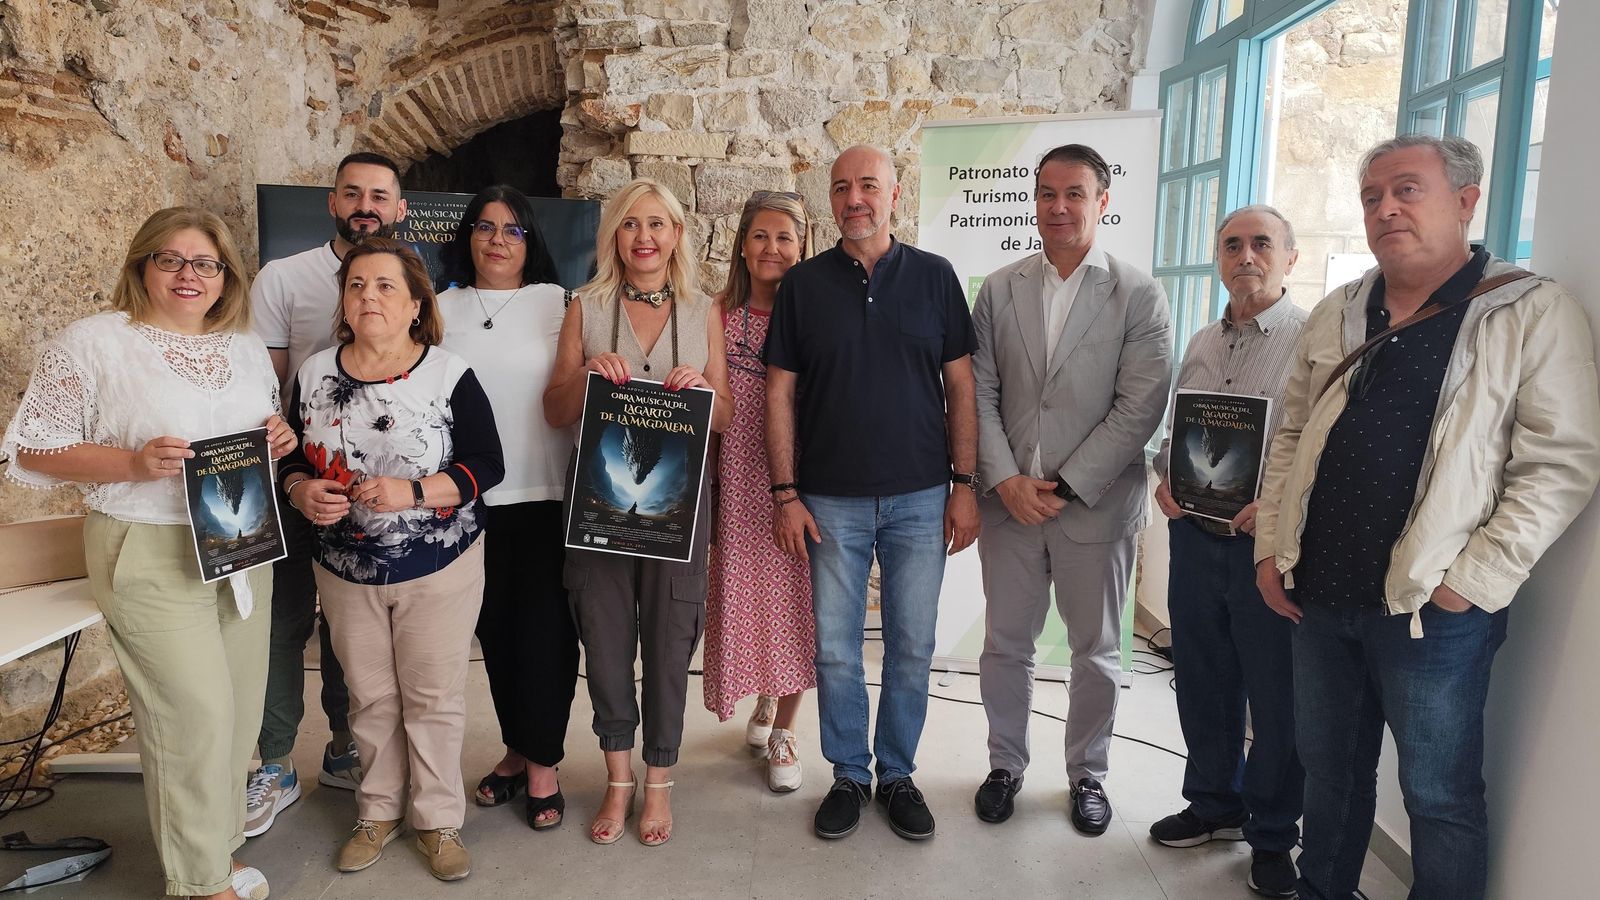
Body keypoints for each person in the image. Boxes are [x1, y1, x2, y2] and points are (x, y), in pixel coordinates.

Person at [1254, 134, 1600, 900]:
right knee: (1329, 776)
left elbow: (1561, 462)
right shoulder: (1341, 310)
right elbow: (1292, 435)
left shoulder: (1530, 311)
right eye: (1372, 197)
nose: (1386, 209)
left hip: (1433, 614)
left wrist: (1472, 582)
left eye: (1407, 190)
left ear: (1466, 201)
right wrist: (1272, 549)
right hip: (1321, 598)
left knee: (1439, 798)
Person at [2, 207, 296, 900]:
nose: (189, 275)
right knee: (191, 715)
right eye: (171, 259)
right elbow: (34, 449)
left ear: (226, 275)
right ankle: (198, 883)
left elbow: (255, 428)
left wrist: (278, 436)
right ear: (143, 265)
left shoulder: (245, 345)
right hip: (147, 542)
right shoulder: (93, 342)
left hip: (241, 537)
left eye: (206, 263)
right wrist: (131, 464)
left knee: (238, 710)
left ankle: (217, 850)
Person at [765, 145, 980, 843]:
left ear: (894, 193)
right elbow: (779, 392)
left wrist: (965, 484)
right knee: (835, 649)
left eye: (867, 185)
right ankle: (849, 775)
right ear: (829, 200)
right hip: (829, 501)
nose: (854, 198)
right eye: (840, 188)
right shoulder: (802, 286)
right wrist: (785, 493)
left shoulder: (936, 277)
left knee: (912, 646)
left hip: (922, 496)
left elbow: (961, 386)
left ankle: (897, 775)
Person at [277, 238, 504, 882]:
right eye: (356, 285)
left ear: (415, 305)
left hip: (438, 563)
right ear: (343, 302)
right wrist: (300, 489)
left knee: (432, 696)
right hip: (344, 568)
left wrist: (414, 493)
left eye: (385, 286)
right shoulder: (314, 374)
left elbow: (488, 464)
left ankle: (437, 819)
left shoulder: (448, 374)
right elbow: (292, 458)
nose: (368, 296)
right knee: (370, 695)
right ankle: (377, 810)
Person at [969, 143, 1172, 836]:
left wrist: (1066, 485)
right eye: (1047, 194)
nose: (1058, 207)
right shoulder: (999, 289)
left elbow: (1140, 406)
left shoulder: (1138, 293)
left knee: (1098, 652)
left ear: (1101, 202)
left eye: (1074, 194)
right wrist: (1005, 479)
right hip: (1010, 507)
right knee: (1005, 646)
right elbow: (979, 393)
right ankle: (1004, 765)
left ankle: (1089, 774)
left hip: (1097, 506)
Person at [544, 178, 734, 847]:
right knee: (603, 636)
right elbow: (554, 409)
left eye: (657, 224)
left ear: (676, 234)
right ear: (614, 236)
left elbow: (725, 416)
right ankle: (618, 778)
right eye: (630, 224)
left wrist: (705, 388)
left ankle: (659, 781)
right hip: (599, 500)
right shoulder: (586, 307)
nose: (644, 237)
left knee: (671, 635)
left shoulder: (702, 309)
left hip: (677, 504)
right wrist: (585, 376)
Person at [245, 151, 409, 836]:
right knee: (283, 623)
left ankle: (346, 748)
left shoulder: (411, 281)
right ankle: (275, 763)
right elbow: (265, 393)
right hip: (291, 480)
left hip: (371, 490)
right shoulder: (284, 277)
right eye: (352, 193)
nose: (365, 205)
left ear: (400, 209)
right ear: (332, 203)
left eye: (379, 195)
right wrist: (296, 478)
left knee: (354, 626)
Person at [1147, 205, 1306, 898]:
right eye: (1232, 244)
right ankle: (1213, 803)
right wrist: (1165, 477)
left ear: (1290, 258)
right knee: (1203, 681)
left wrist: (1275, 506)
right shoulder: (1203, 341)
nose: (1246, 256)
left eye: (1261, 243)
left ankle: (1271, 835)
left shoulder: (1310, 340)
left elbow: (1317, 449)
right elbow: (1177, 435)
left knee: (1275, 699)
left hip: (1262, 550)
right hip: (1195, 538)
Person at [436, 185, 578, 829]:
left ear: (531, 240)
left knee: (546, 633)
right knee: (494, 634)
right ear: (467, 236)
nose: (498, 240)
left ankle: (544, 761)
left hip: (546, 493)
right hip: (467, 497)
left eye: (513, 229)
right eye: (486, 227)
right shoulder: (439, 308)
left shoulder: (559, 302)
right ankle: (518, 749)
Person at [703, 190, 815, 792]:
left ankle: (787, 729)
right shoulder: (716, 312)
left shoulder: (816, 312)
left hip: (800, 476)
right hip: (735, 474)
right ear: (742, 246)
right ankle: (764, 697)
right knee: (747, 594)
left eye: (785, 237)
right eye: (760, 236)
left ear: (803, 247)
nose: (772, 248)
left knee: (799, 597)